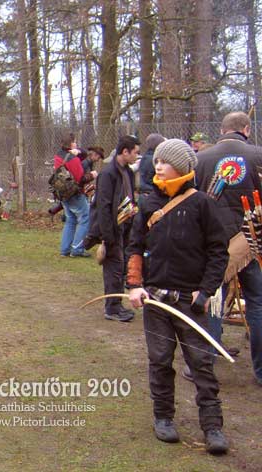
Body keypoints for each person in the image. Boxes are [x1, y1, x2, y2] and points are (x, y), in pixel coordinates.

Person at [126, 139, 229, 454]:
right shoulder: (147, 204)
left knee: (200, 363)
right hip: (155, 300)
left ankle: (212, 427)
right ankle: (163, 418)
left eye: (165, 161)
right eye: (156, 161)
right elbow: (134, 246)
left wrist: (206, 291)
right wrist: (134, 284)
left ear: (183, 168)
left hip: (191, 302)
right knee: (159, 360)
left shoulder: (203, 204)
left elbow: (218, 252)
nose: (158, 166)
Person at [195, 111, 262, 388]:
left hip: (215, 242)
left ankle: (207, 359)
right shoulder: (258, 154)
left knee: (213, 300)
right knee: (258, 303)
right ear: (246, 129)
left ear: (222, 131)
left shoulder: (202, 158)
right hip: (252, 241)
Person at [92, 135, 141, 322]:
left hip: (125, 226)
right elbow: (103, 206)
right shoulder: (108, 173)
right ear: (125, 151)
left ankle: (117, 304)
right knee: (113, 268)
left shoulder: (126, 172)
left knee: (121, 268)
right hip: (112, 229)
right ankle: (112, 308)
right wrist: (106, 236)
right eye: (135, 152)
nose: (137, 156)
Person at [53, 134, 95, 257]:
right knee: (85, 217)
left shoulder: (59, 155)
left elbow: (83, 153)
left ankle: (65, 249)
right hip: (74, 193)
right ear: (71, 144)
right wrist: (92, 175)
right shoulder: (72, 159)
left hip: (62, 193)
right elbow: (80, 178)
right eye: (75, 142)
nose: (76, 144)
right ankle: (77, 249)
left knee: (70, 220)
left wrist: (78, 152)